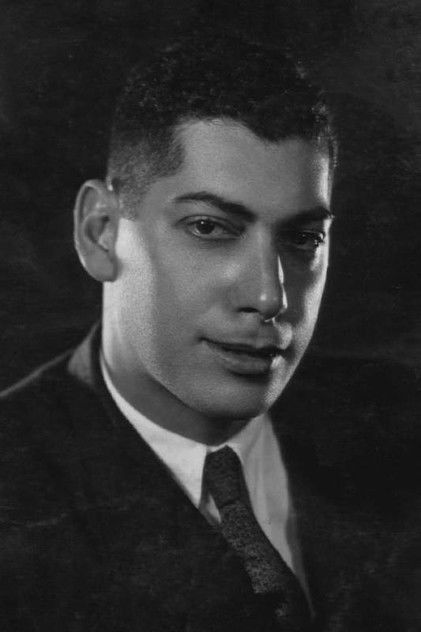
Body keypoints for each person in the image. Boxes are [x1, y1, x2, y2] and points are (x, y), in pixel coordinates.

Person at [0, 30, 419, 632]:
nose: (270, 296)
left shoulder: (399, 425)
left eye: (303, 238)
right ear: (101, 232)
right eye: (209, 227)